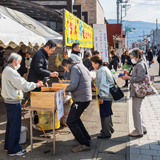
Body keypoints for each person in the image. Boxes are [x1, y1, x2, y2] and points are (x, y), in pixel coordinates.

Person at [1, 53, 43, 156]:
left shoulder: (7, 70)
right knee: (15, 126)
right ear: (14, 61)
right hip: (13, 102)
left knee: (11, 125)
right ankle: (14, 149)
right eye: (19, 62)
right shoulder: (10, 71)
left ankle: (8, 146)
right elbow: (23, 85)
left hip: (9, 101)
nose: (19, 64)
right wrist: (37, 84)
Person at [61, 58, 92, 153]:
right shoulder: (81, 65)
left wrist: (66, 89)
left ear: (67, 65)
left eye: (65, 69)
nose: (66, 71)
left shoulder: (74, 68)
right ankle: (85, 137)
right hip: (85, 97)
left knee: (71, 121)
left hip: (81, 99)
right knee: (76, 118)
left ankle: (84, 144)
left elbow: (73, 85)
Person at [28, 40, 59, 124]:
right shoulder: (39, 55)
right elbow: (38, 69)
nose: (52, 52)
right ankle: (36, 122)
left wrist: (44, 80)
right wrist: (50, 74)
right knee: (36, 103)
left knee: (39, 103)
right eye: (52, 50)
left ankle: (39, 121)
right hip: (35, 82)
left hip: (39, 81)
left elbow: (42, 69)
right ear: (47, 47)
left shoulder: (43, 54)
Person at [121, 48, 147, 137]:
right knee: (137, 110)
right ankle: (142, 128)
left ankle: (138, 131)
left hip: (138, 91)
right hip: (137, 90)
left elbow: (140, 78)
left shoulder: (140, 64)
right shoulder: (139, 63)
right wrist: (129, 74)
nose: (131, 59)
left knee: (136, 111)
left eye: (132, 57)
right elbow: (137, 76)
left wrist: (129, 78)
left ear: (137, 57)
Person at [90, 55, 114, 139]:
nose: (92, 65)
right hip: (108, 94)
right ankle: (108, 129)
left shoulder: (101, 70)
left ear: (97, 63)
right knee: (107, 112)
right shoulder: (104, 68)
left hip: (105, 94)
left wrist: (102, 97)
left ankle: (106, 133)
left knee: (105, 114)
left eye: (93, 63)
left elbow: (103, 84)